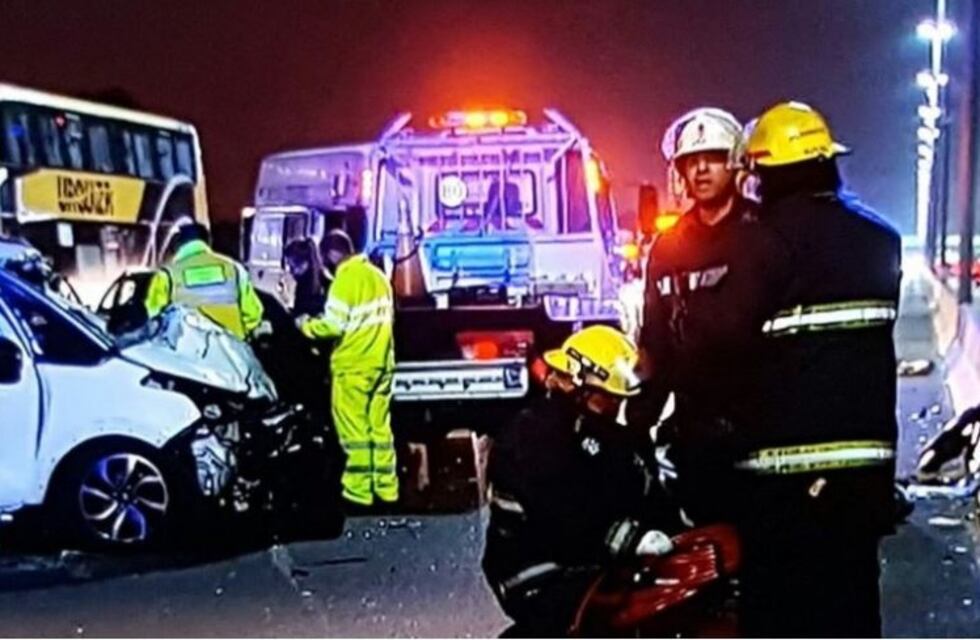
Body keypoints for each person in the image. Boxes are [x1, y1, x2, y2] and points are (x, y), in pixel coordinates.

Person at [728, 101, 901, 638]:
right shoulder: (881, 240)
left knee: (779, 613)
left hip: (777, 482)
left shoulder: (755, 246)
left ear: (764, 174)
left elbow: (725, 349)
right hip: (865, 473)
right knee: (851, 606)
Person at [483, 325, 675, 637]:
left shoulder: (609, 436)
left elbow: (641, 491)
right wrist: (630, 539)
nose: (617, 409)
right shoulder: (534, 438)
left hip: (589, 559)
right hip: (538, 570)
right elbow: (567, 512)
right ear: (579, 387)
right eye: (609, 399)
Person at [629, 107, 763, 525]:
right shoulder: (668, 249)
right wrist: (636, 426)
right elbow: (655, 342)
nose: (701, 169)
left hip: (759, 424)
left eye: (714, 158)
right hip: (695, 429)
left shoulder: (763, 234)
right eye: (691, 161)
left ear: (736, 164)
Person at [298, 229, 398, 508]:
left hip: (353, 366)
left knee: (354, 433)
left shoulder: (345, 280)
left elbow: (333, 325)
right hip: (382, 364)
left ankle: (358, 492)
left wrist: (305, 326)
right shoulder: (379, 277)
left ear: (331, 256)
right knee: (379, 429)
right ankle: (386, 488)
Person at [144, 222, 264, 339]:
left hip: (187, 353)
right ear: (207, 242)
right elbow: (253, 314)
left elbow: (154, 318)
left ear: (177, 245)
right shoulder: (234, 269)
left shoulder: (167, 275)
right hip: (232, 352)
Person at [284, 237, 327, 318]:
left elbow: (302, 313)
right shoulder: (322, 279)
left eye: (292, 266)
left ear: (305, 263)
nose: (290, 271)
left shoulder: (304, 285)